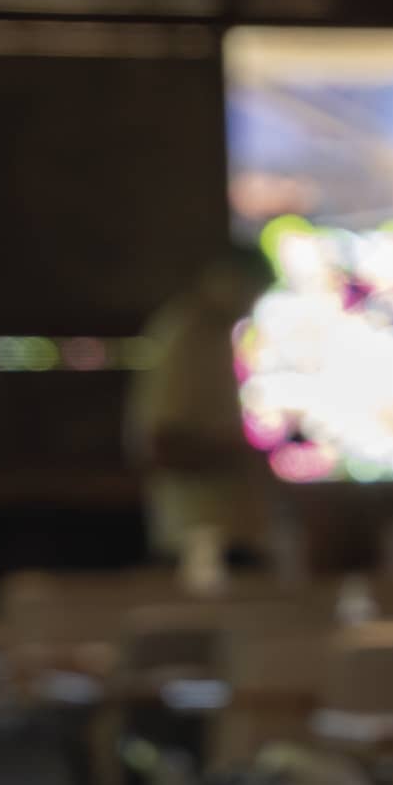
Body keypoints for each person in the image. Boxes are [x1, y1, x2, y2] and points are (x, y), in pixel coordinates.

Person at [124, 242, 286, 570]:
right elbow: (160, 445)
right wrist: (240, 453)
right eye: (255, 291)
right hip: (202, 542)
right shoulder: (187, 334)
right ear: (231, 279)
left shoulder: (217, 335)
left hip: (234, 536)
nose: (253, 304)